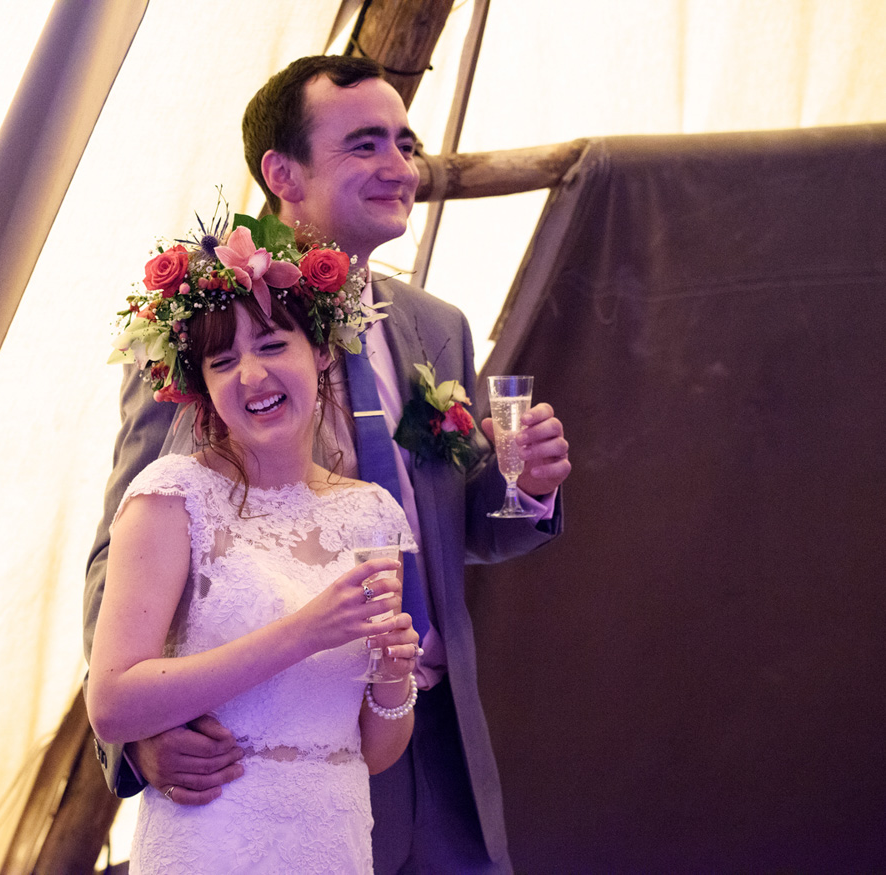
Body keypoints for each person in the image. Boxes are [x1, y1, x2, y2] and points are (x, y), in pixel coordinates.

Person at [84, 55, 571, 874]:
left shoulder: (435, 325)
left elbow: (446, 532)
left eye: (405, 143)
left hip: (433, 730)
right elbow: (126, 547)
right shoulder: (210, 338)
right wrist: (138, 737)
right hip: (260, 754)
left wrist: (523, 492)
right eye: (366, 144)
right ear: (283, 172)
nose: (399, 166)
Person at [87, 225, 424, 872]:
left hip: (333, 840)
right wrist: (302, 632)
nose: (251, 373)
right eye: (221, 362)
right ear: (202, 386)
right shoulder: (171, 497)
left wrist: (392, 674)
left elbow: (373, 748)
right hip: (215, 840)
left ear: (321, 352)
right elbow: (112, 703)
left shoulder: (372, 512)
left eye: (273, 344)